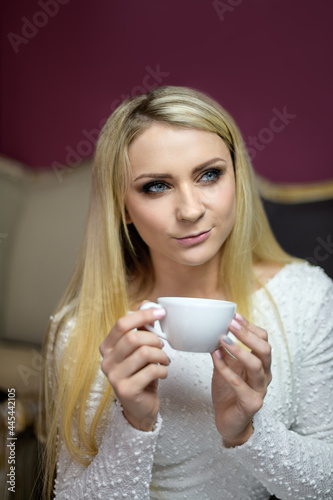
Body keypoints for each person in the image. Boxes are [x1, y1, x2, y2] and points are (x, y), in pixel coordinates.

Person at [41, 86, 333, 500]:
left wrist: (249, 431)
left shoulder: (305, 297)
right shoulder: (84, 327)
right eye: (156, 186)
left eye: (209, 174)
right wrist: (134, 424)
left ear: (238, 177)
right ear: (122, 207)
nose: (191, 210)